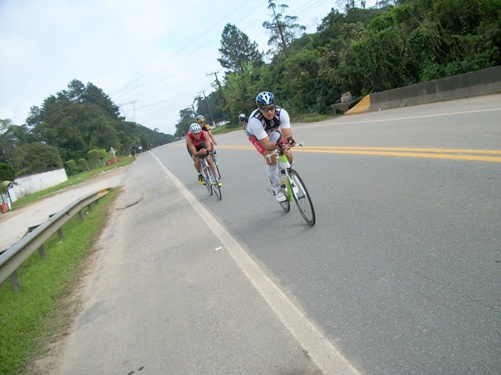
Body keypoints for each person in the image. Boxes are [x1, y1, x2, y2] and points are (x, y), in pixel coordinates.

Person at [246, 91, 296, 202]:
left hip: (272, 131)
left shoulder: (281, 113)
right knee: (271, 157)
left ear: (275, 105)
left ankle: (290, 179)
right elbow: (267, 144)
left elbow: (287, 133)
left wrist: (289, 140)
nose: (269, 112)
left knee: (288, 154)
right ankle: (277, 188)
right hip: (257, 137)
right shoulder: (255, 121)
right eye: (265, 109)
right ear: (259, 109)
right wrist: (277, 145)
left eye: (271, 108)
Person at [186, 122, 221, 186]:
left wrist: (206, 150)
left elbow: (209, 148)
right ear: (192, 133)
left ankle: (216, 178)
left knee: (208, 158)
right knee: (197, 160)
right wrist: (199, 153)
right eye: (195, 134)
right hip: (193, 147)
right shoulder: (189, 138)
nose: (197, 135)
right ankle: (200, 174)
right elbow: (194, 152)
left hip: (201, 144)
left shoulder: (204, 134)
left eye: (198, 133)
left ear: (200, 131)